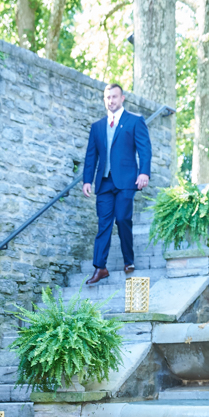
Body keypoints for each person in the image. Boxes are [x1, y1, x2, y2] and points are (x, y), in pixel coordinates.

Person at [81, 82, 152, 286]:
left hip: (126, 180)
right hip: (104, 182)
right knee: (103, 224)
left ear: (122, 98)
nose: (111, 101)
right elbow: (91, 155)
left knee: (122, 219)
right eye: (108, 97)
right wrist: (87, 180)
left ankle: (128, 260)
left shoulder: (135, 121)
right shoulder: (97, 127)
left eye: (114, 97)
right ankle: (100, 267)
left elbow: (144, 149)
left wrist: (144, 172)